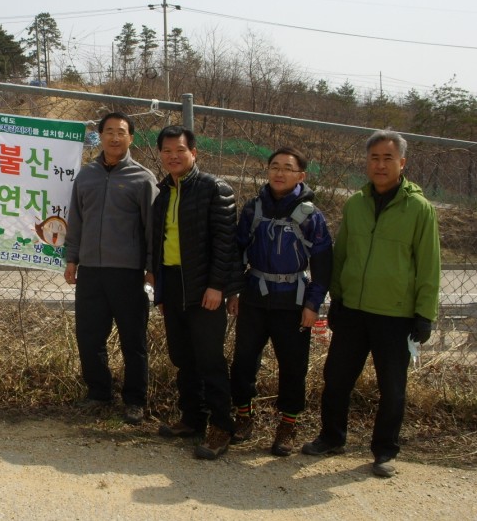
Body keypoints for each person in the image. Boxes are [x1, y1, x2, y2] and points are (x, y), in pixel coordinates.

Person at [302, 130, 441, 478]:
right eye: (374, 158)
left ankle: (384, 450)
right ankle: (332, 437)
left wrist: (424, 314)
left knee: (391, 387)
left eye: (387, 158)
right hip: (353, 310)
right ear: (366, 162)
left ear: (402, 163)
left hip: (396, 314)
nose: (380, 165)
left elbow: (429, 265)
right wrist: (337, 298)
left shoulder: (419, 209)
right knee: (336, 379)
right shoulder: (356, 204)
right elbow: (342, 254)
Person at [227, 147, 332, 456]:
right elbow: (236, 251)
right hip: (254, 296)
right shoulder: (253, 209)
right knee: (243, 361)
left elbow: (323, 264)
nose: (279, 173)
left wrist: (312, 305)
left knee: (293, 366)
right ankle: (243, 416)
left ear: (301, 176)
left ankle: (287, 424)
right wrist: (234, 291)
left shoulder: (311, 216)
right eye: (274, 166)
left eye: (287, 168)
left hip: (292, 301)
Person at [150, 125, 240, 460]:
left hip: (205, 287)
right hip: (173, 284)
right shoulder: (163, 193)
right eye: (167, 151)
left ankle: (222, 426)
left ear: (194, 153)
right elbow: (159, 243)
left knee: (209, 359)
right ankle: (192, 418)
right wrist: (160, 289)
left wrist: (217, 286)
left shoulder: (214, 188)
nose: (173, 156)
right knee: (183, 357)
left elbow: (226, 242)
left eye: (180, 150)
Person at [63, 112, 158, 424]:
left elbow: (152, 229)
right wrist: (72, 259)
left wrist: (150, 267)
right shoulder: (86, 176)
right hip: (91, 270)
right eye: (109, 132)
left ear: (131, 138)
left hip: (128, 272)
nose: (115, 138)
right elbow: (76, 221)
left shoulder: (143, 178)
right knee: (89, 336)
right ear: (100, 136)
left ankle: (135, 401)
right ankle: (99, 392)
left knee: (133, 340)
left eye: (121, 132)